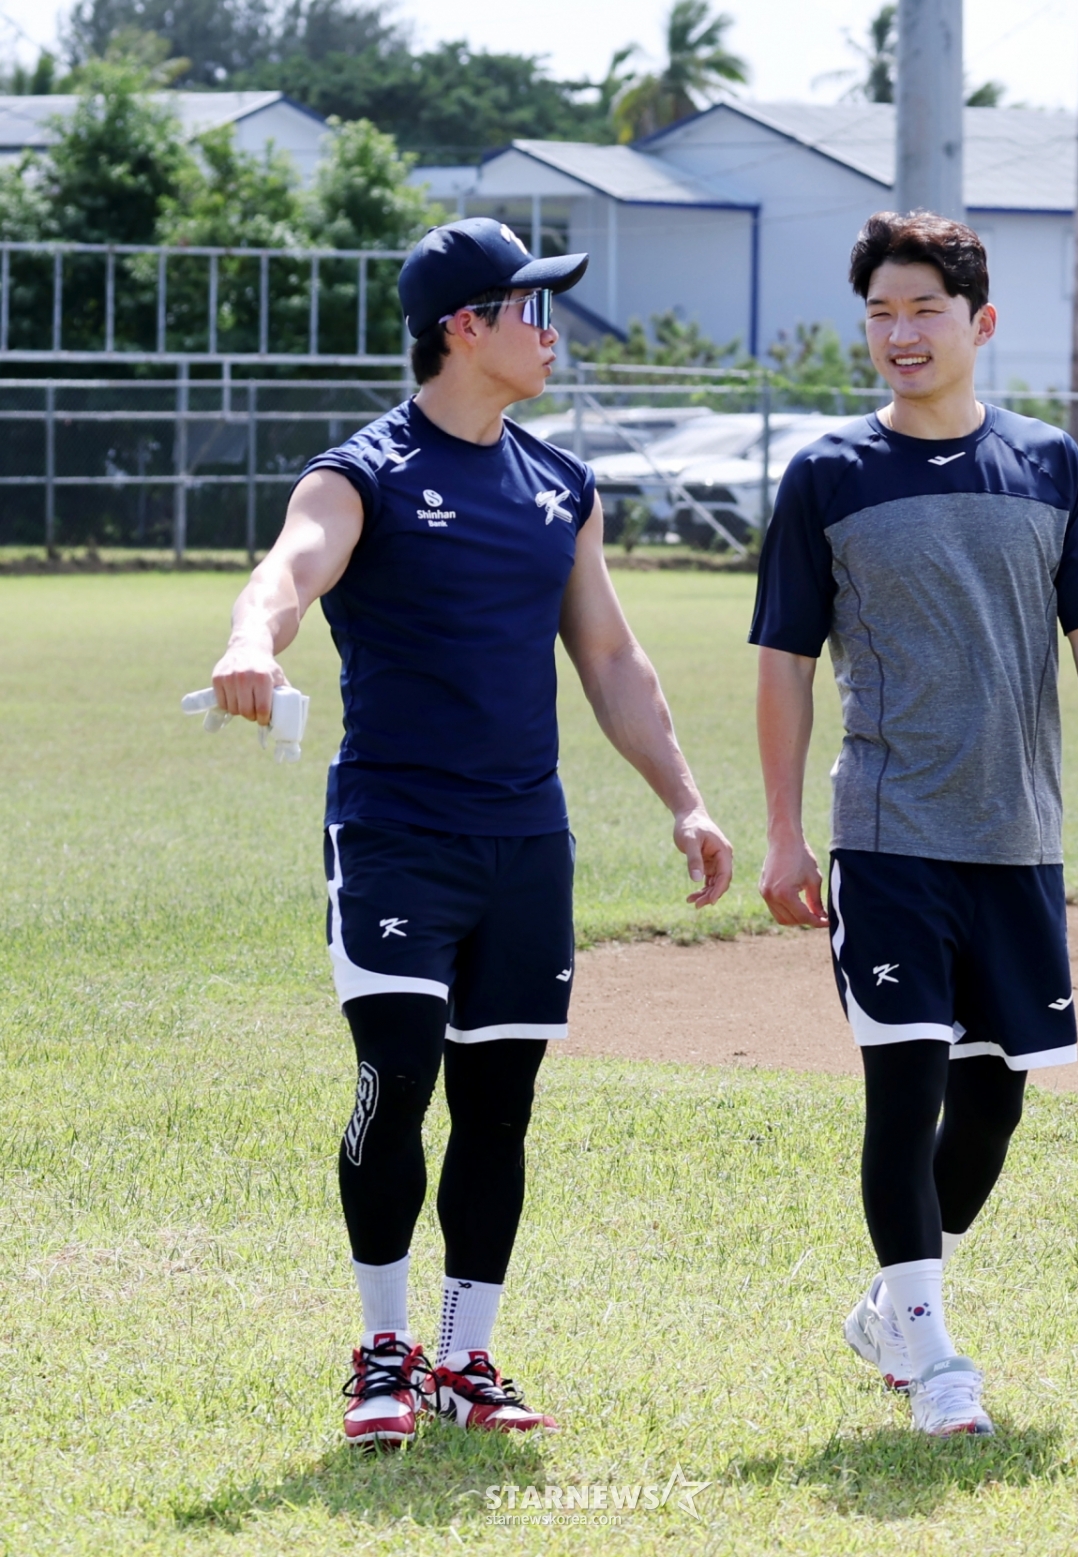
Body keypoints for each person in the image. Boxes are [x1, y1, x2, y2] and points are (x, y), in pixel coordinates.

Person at [209, 217, 733, 1446]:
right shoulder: (363, 472)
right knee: (397, 1081)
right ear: (464, 328)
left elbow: (611, 658)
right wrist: (248, 642)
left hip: (525, 845)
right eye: (529, 308)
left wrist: (686, 798)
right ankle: (383, 1349)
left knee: (500, 1106)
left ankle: (464, 1357)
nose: (551, 331)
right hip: (396, 832)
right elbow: (290, 569)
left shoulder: (562, 489)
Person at [751, 211, 1078, 1436]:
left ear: (980, 323)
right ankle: (934, 1364)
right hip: (887, 832)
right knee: (904, 1081)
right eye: (881, 312)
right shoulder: (829, 474)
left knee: (992, 1105)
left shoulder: (1048, 463)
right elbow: (783, 663)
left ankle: (892, 1304)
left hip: (1016, 836)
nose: (902, 332)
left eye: (925, 309)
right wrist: (784, 833)